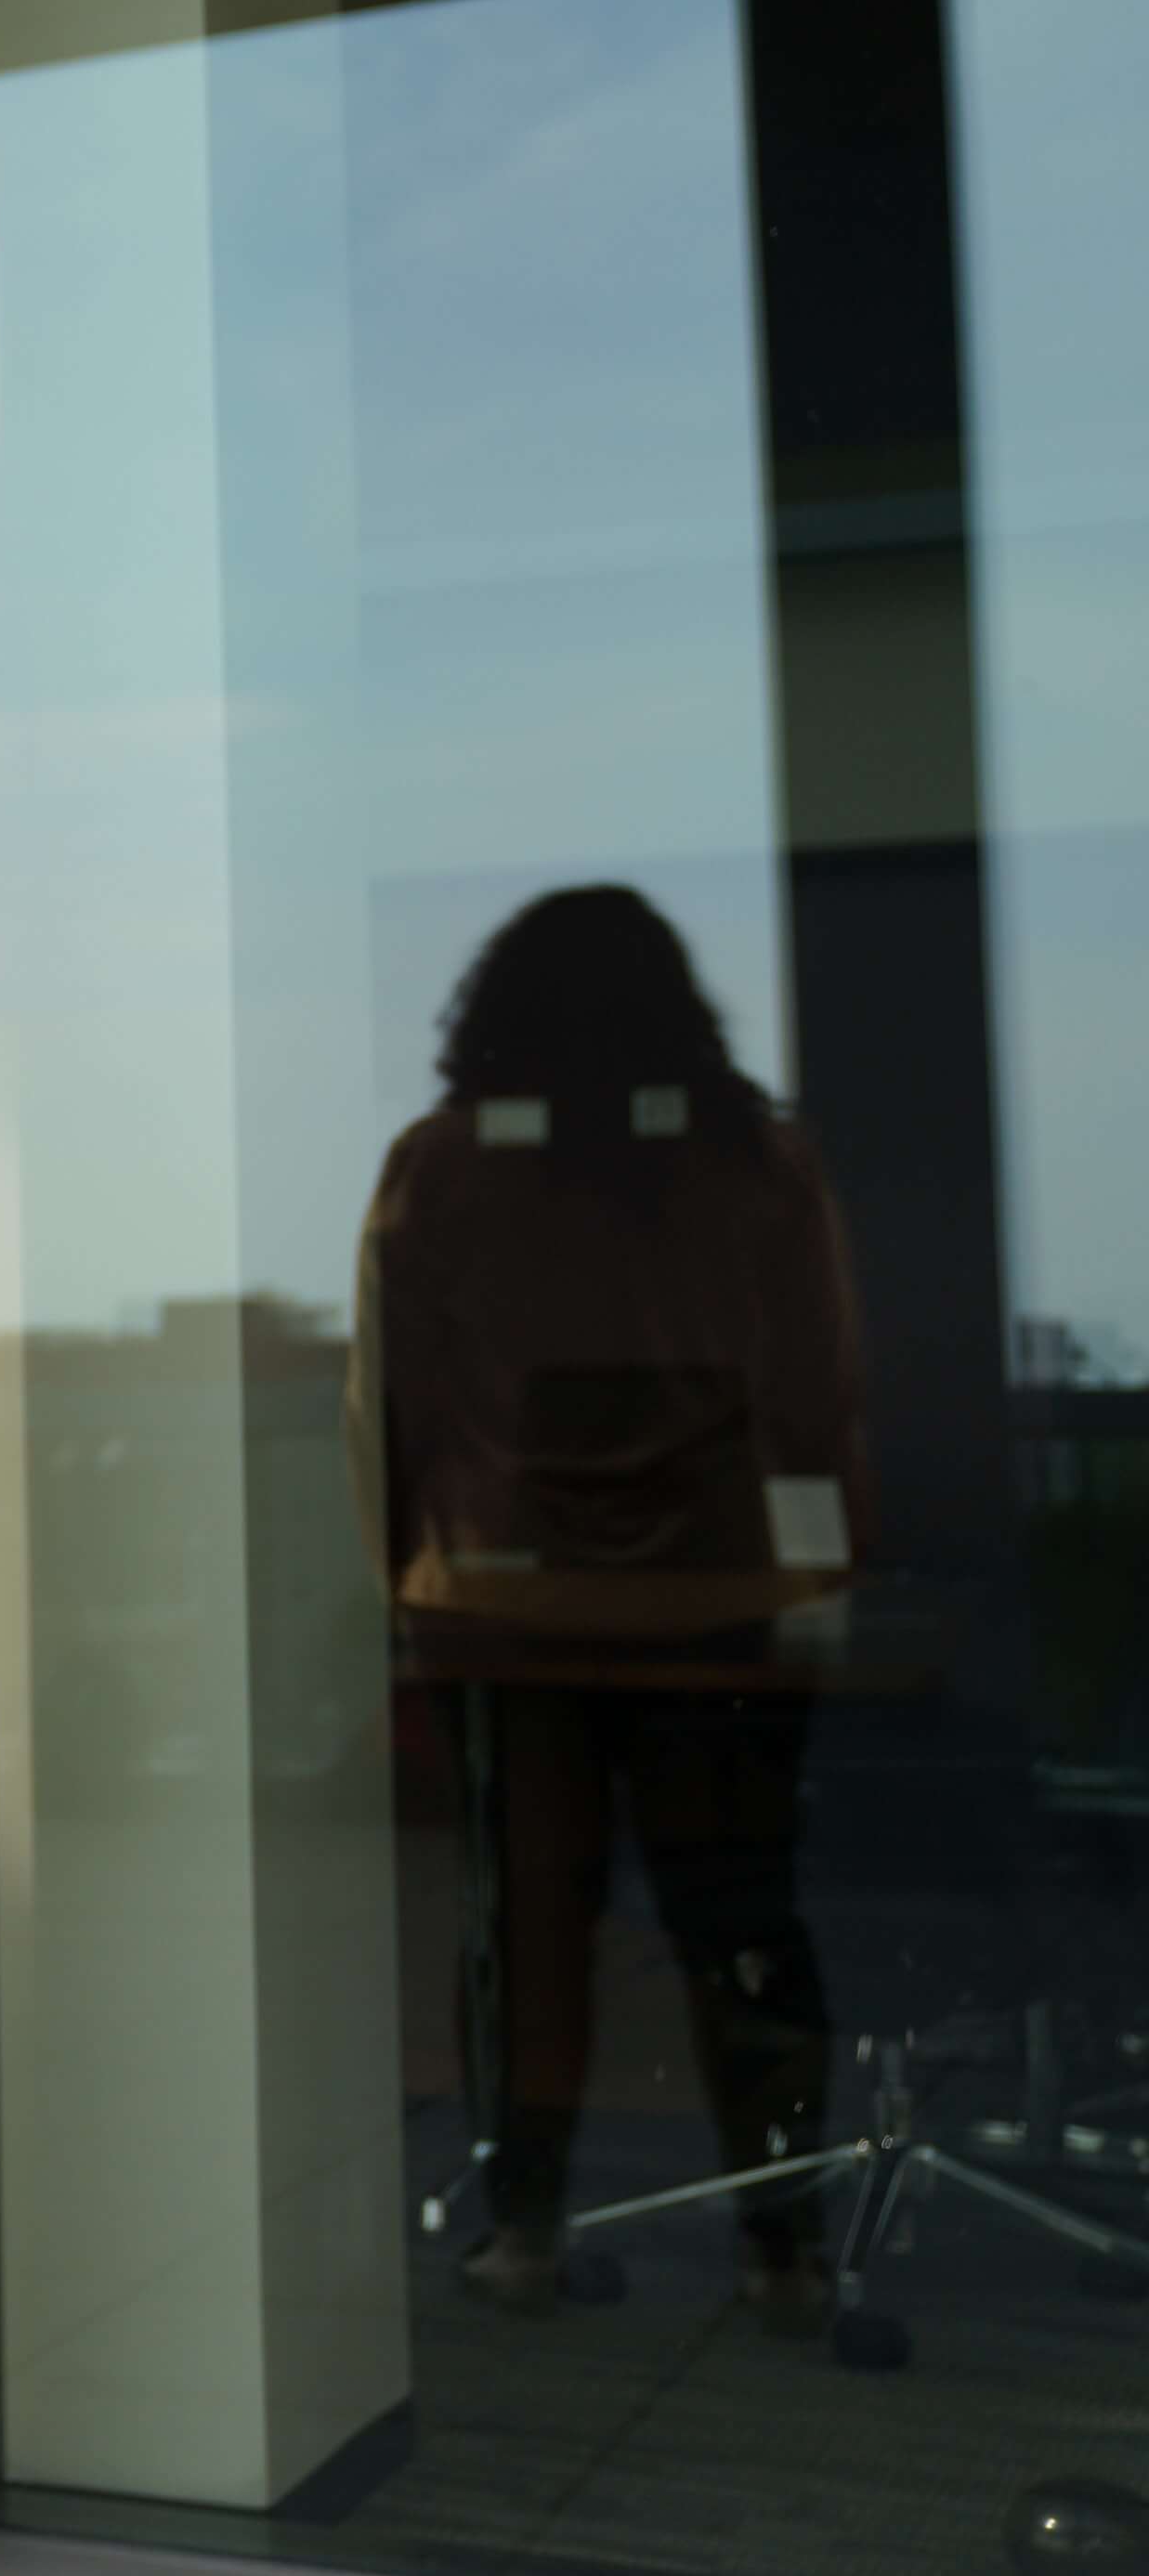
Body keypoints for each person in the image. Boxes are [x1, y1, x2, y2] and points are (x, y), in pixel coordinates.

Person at [352, 885, 858, 2328]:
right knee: (741, 1919)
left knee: (521, 1929)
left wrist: (405, 1574)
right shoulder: (759, 1164)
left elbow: (385, 1402)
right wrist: (826, 1562)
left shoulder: (440, 1168)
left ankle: (522, 2229)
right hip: (720, 1599)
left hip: (500, 1610)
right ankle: (788, 2242)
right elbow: (823, 1383)